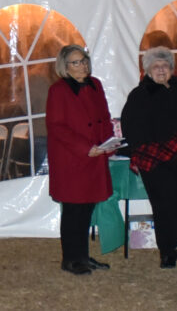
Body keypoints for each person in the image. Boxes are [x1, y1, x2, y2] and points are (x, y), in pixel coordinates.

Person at [121, 47, 177, 269]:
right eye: (156, 66)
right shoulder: (138, 95)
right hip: (156, 158)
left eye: (165, 66)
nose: (161, 70)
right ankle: (168, 252)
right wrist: (154, 146)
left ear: (171, 69)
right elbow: (132, 127)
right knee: (163, 206)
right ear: (147, 71)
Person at [46, 44, 115, 275]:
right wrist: (85, 148)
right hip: (72, 160)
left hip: (95, 157)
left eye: (84, 60)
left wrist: (109, 144)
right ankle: (71, 260)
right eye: (75, 62)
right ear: (64, 67)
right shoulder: (58, 90)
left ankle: (83, 256)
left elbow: (104, 117)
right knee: (73, 211)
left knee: (86, 210)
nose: (82, 65)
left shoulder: (96, 84)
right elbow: (57, 127)